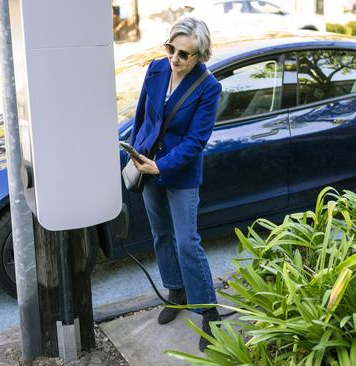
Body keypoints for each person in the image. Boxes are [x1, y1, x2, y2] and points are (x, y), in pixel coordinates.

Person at [127, 17, 222, 351]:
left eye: (184, 54)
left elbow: (196, 141)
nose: (175, 59)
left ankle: (208, 311)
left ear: (199, 56)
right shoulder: (155, 69)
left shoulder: (209, 88)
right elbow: (143, 116)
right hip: (147, 164)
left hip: (179, 174)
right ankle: (175, 291)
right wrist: (135, 152)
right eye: (172, 49)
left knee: (187, 242)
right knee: (161, 235)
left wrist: (160, 166)